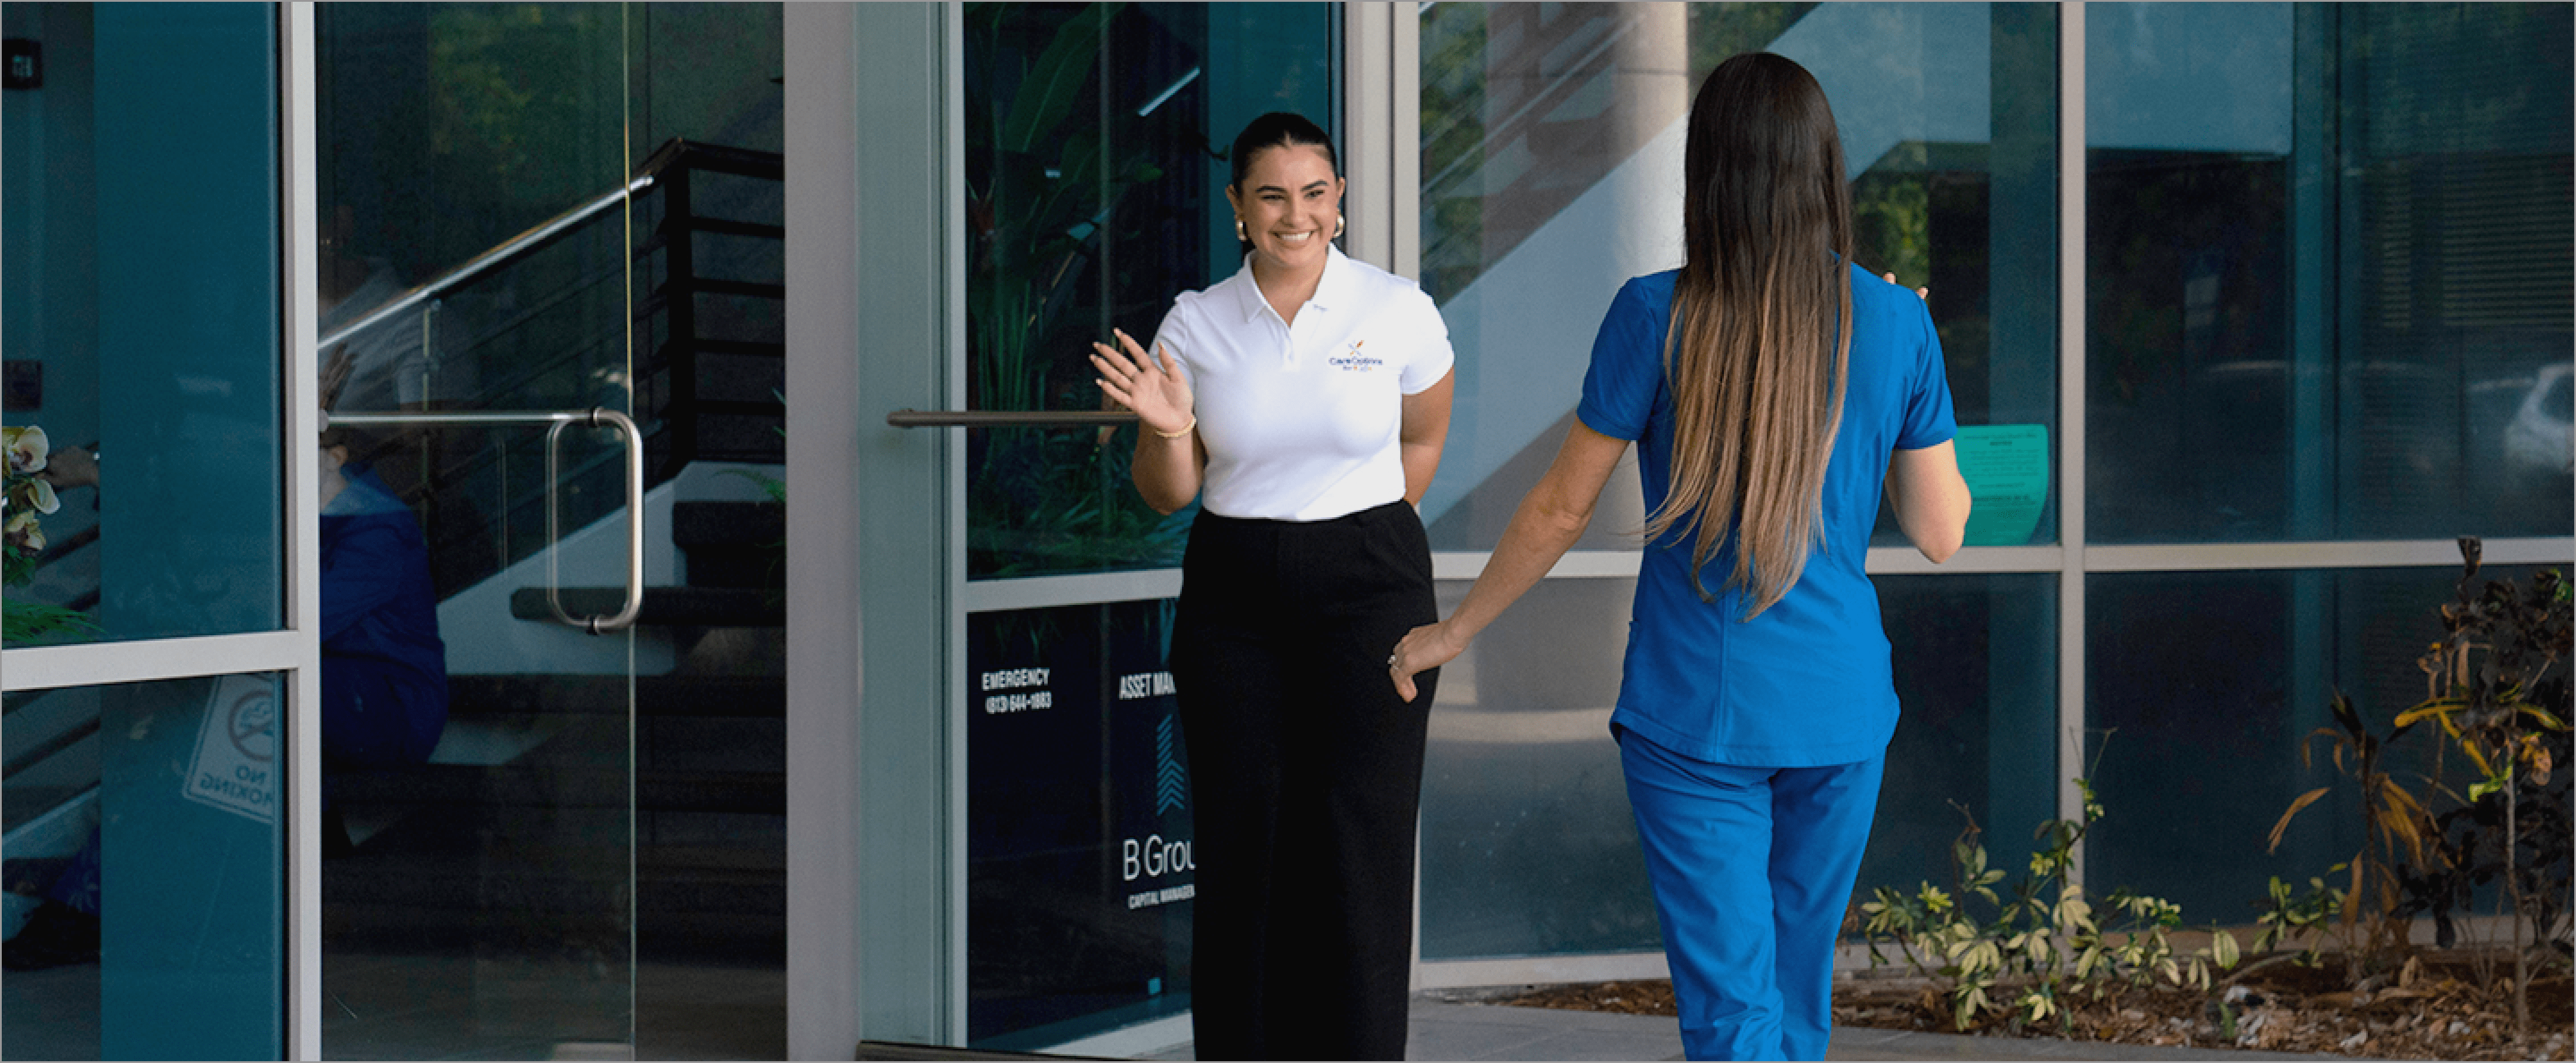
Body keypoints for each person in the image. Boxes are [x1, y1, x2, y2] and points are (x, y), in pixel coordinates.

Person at [1388, 54, 1972, 1062]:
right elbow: (1940, 528)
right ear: (1825, 169)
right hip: (1836, 716)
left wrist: (1453, 631)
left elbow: (1558, 510)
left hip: (1692, 715)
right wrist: (1916, 358)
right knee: (1793, 990)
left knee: (1733, 1007)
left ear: (1706, 173)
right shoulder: (1896, 322)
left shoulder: (1654, 312)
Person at [1090, 111, 1456, 1061]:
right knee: (1245, 838)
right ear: (1238, 210)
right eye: (1272, 195)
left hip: (1371, 582)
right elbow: (1167, 492)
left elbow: (1422, 440)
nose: (1297, 214)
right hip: (1235, 592)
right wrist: (1167, 427)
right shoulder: (1197, 322)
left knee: (1359, 840)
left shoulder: (1398, 309)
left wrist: (1356, 525)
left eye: (1315, 192)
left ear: (1338, 203)